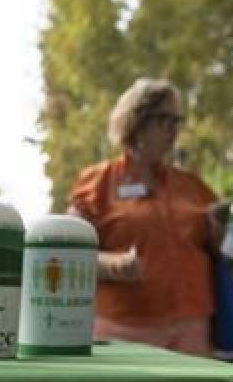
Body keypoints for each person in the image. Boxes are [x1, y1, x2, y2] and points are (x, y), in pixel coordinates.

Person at [68, 77, 222, 357]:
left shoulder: (191, 185)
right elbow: (70, 250)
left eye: (177, 121)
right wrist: (110, 264)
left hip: (192, 327)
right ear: (136, 121)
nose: (173, 129)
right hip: (123, 329)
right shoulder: (98, 182)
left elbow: (218, 244)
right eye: (164, 119)